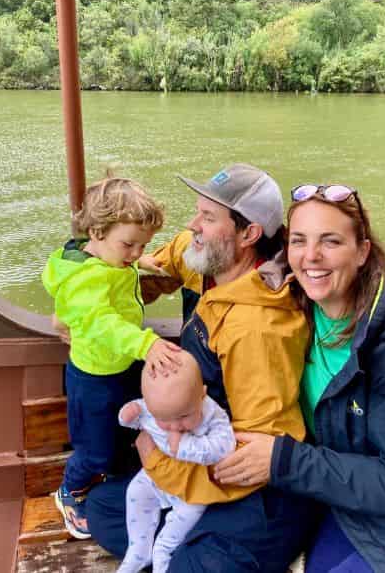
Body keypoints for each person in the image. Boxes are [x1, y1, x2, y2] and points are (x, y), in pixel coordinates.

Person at [86, 163, 323, 571]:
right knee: (103, 508)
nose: (192, 224)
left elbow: (255, 454)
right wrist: (86, 309)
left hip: (255, 484)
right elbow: (139, 272)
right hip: (195, 445)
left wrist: (156, 459)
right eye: (198, 211)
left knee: (187, 564)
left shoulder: (258, 327)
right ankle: (189, 537)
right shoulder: (204, 257)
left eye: (208, 218)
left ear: (248, 234)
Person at [211, 183, 385, 573]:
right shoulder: (294, 306)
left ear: (362, 251)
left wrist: (284, 462)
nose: (311, 257)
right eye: (299, 241)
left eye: (330, 241)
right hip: (333, 492)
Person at [41, 175, 185, 540]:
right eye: (130, 245)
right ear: (97, 231)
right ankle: (69, 493)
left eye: (142, 245)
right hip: (94, 377)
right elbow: (101, 322)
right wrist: (145, 345)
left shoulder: (110, 259)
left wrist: (143, 263)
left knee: (122, 431)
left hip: (116, 367)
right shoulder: (84, 280)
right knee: (94, 448)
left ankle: (111, 477)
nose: (135, 253)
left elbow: (120, 268)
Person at [116, 351, 236, 573]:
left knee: (166, 544)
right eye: (164, 419)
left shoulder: (212, 415)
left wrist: (185, 446)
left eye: (183, 417)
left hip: (192, 490)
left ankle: (161, 561)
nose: (174, 427)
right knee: (135, 491)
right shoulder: (158, 407)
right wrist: (128, 415)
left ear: (202, 395)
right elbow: (140, 416)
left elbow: (225, 446)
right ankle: (138, 552)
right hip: (159, 476)